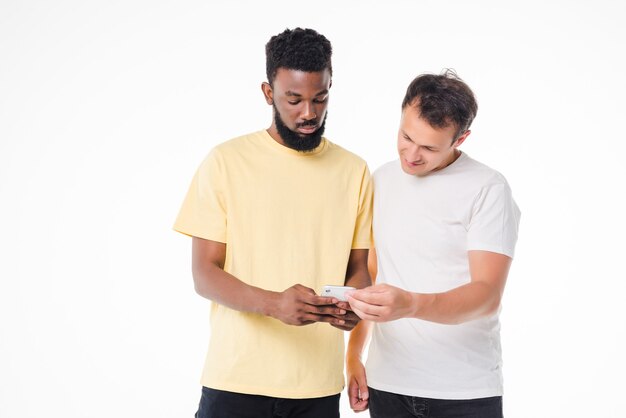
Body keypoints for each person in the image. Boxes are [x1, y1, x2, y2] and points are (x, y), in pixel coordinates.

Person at [173, 27, 373, 418]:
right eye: (294, 99)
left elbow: (359, 270)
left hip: (317, 387)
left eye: (320, 98)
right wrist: (273, 304)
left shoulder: (354, 171)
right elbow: (204, 274)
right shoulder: (226, 162)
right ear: (269, 94)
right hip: (235, 382)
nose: (309, 113)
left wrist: (355, 305)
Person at [345, 70, 520, 418]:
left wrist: (410, 304)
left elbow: (487, 294)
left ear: (462, 138)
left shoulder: (488, 188)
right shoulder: (381, 179)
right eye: (406, 136)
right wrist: (353, 358)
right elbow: (373, 278)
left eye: (428, 147)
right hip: (388, 384)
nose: (411, 154)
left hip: (463, 390)